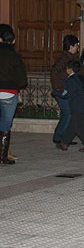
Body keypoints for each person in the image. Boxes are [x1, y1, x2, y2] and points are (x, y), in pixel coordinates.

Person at [0, 24, 28, 165]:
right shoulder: (15, 56)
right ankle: (2, 157)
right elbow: (23, 80)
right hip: (9, 93)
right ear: (13, 40)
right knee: (5, 126)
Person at [56, 60, 84, 152]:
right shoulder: (81, 78)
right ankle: (64, 143)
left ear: (69, 70)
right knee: (73, 125)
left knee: (80, 127)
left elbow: (66, 94)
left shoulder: (70, 80)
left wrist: (56, 92)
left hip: (77, 105)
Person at [50, 35, 81, 145]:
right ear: (72, 46)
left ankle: (65, 137)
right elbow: (54, 72)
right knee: (68, 114)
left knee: (69, 113)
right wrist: (59, 87)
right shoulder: (64, 58)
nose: (78, 47)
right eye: (77, 45)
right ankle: (59, 136)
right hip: (62, 91)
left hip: (68, 90)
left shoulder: (73, 57)